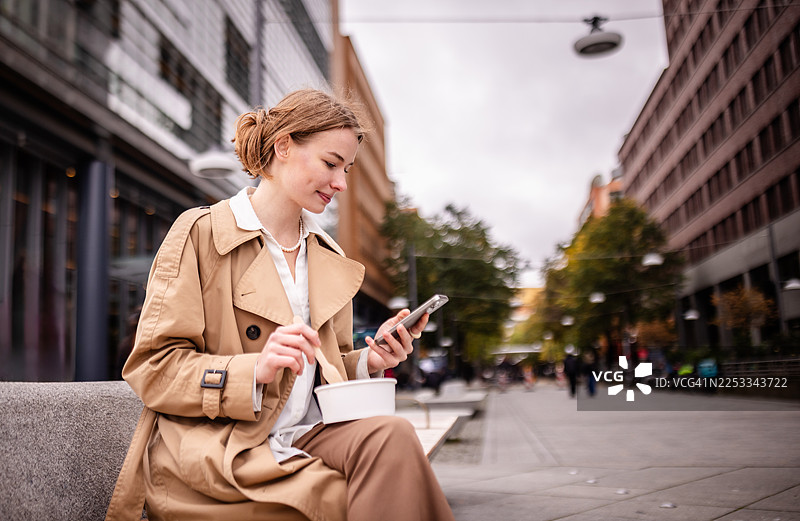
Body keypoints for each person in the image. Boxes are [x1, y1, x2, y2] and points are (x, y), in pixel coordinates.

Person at [106, 88, 455, 521]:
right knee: (350, 494)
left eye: (346, 169)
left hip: (306, 435)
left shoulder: (328, 256)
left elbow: (322, 369)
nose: (341, 183)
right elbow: (154, 368)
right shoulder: (201, 233)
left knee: (395, 436)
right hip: (224, 445)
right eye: (331, 163)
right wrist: (253, 370)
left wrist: (370, 359)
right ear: (284, 145)